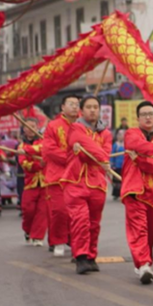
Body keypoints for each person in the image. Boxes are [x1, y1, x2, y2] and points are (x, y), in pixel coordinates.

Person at [122, 101, 153, 284]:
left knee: (149, 233)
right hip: (134, 189)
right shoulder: (131, 134)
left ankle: (143, 263)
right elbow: (136, 145)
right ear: (138, 118)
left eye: (151, 113)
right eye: (144, 114)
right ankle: (143, 264)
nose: (148, 117)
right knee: (138, 230)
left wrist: (141, 161)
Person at [63, 96, 112, 275]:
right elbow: (87, 149)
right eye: (89, 107)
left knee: (94, 223)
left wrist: (100, 157)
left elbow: (104, 152)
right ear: (81, 111)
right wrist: (102, 158)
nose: (93, 110)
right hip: (76, 181)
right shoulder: (76, 127)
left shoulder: (105, 133)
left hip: (97, 183)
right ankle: (81, 256)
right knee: (80, 220)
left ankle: (91, 256)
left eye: (96, 107)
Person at [42, 96, 78, 257]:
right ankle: (58, 241)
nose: (75, 107)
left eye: (77, 104)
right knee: (59, 211)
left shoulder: (84, 126)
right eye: (71, 104)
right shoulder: (53, 126)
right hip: (57, 176)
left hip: (79, 176)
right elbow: (49, 150)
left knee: (78, 212)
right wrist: (71, 157)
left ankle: (74, 239)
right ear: (62, 107)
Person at [18, 135, 48, 246]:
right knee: (27, 209)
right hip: (31, 182)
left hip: (46, 182)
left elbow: (43, 149)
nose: (29, 129)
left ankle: (37, 237)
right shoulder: (21, 146)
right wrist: (38, 165)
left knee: (42, 211)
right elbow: (24, 163)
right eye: (27, 127)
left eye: (32, 126)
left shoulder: (44, 140)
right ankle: (27, 230)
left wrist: (27, 150)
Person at [110, 129, 126, 200]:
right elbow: (112, 155)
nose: (120, 136)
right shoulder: (115, 145)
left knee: (124, 180)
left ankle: (124, 193)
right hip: (117, 165)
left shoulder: (126, 144)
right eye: (119, 135)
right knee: (116, 181)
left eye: (122, 135)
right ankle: (116, 194)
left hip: (124, 165)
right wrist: (112, 164)